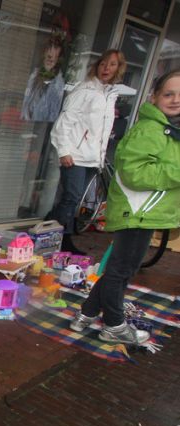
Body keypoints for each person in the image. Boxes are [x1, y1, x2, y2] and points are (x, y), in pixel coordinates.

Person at [70, 70, 180, 345]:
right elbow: (135, 173)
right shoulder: (150, 130)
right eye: (169, 94)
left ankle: (86, 314)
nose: (176, 100)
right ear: (154, 97)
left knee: (118, 269)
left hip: (144, 213)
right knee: (121, 272)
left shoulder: (167, 131)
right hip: (138, 212)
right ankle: (114, 325)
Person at [49, 49, 127, 254]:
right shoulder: (84, 90)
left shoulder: (110, 94)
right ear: (97, 65)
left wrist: (100, 157)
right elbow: (64, 122)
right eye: (103, 63)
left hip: (92, 158)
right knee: (71, 197)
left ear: (119, 69)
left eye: (112, 64)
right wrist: (64, 151)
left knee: (73, 200)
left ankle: (47, 231)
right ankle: (61, 240)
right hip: (75, 156)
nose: (106, 68)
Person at [21, 37, 66, 123]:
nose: (51, 59)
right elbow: (26, 102)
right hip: (27, 123)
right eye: (49, 55)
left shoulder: (58, 84)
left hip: (41, 126)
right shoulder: (34, 75)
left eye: (55, 56)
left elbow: (53, 114)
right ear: (44, 54)